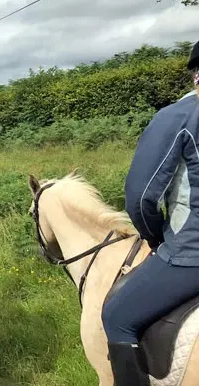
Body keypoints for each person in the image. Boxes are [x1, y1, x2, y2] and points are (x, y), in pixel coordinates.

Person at [101, 40, 199, 386]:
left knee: (116, 315)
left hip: (191, 253)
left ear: (195, 74)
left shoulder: (180, 115)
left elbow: (141, 197)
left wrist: (156, 238)